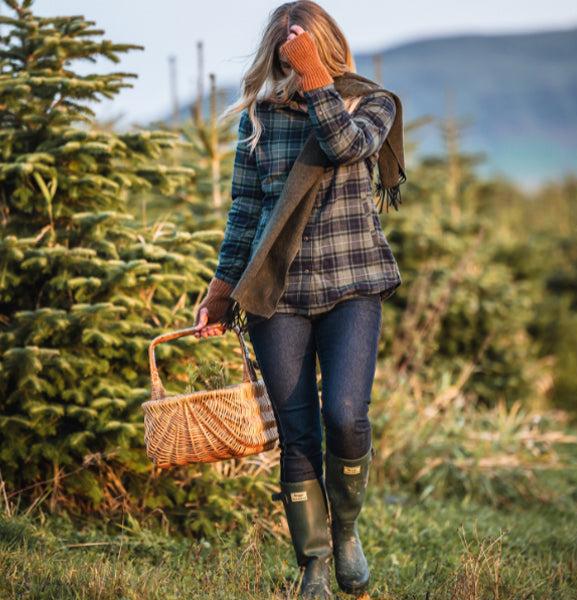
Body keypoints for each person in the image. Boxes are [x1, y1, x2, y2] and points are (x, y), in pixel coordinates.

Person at [193, 2, 405, 598]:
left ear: (324, 46)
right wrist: (220, 289)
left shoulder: (372, 102)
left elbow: (345, 146)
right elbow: (244, 211)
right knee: (297, 434)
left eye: (309, 47)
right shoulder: (260, 117)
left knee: (344, 414)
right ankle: (313, 561)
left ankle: (347, 533)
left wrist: (315, 76)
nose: (298, 55)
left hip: (352, 285)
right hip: (276, 294)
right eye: (292, 49)